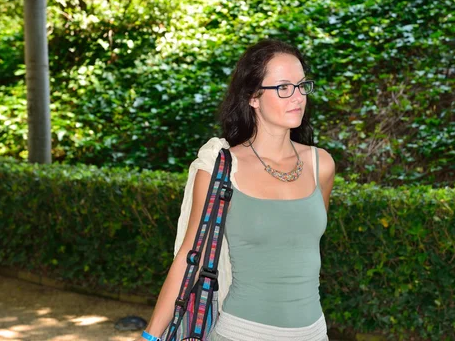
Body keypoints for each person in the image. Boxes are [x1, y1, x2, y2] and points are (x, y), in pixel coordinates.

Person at [138, 39, 335, 341]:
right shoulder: (222, 168)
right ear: (253, 97)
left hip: (314, 333)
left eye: (301, 85)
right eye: (283, 88)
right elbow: (191, 257)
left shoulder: (321, 164)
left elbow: (303, 248)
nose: (297, 97)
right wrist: (150, 337)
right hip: (243, 333)